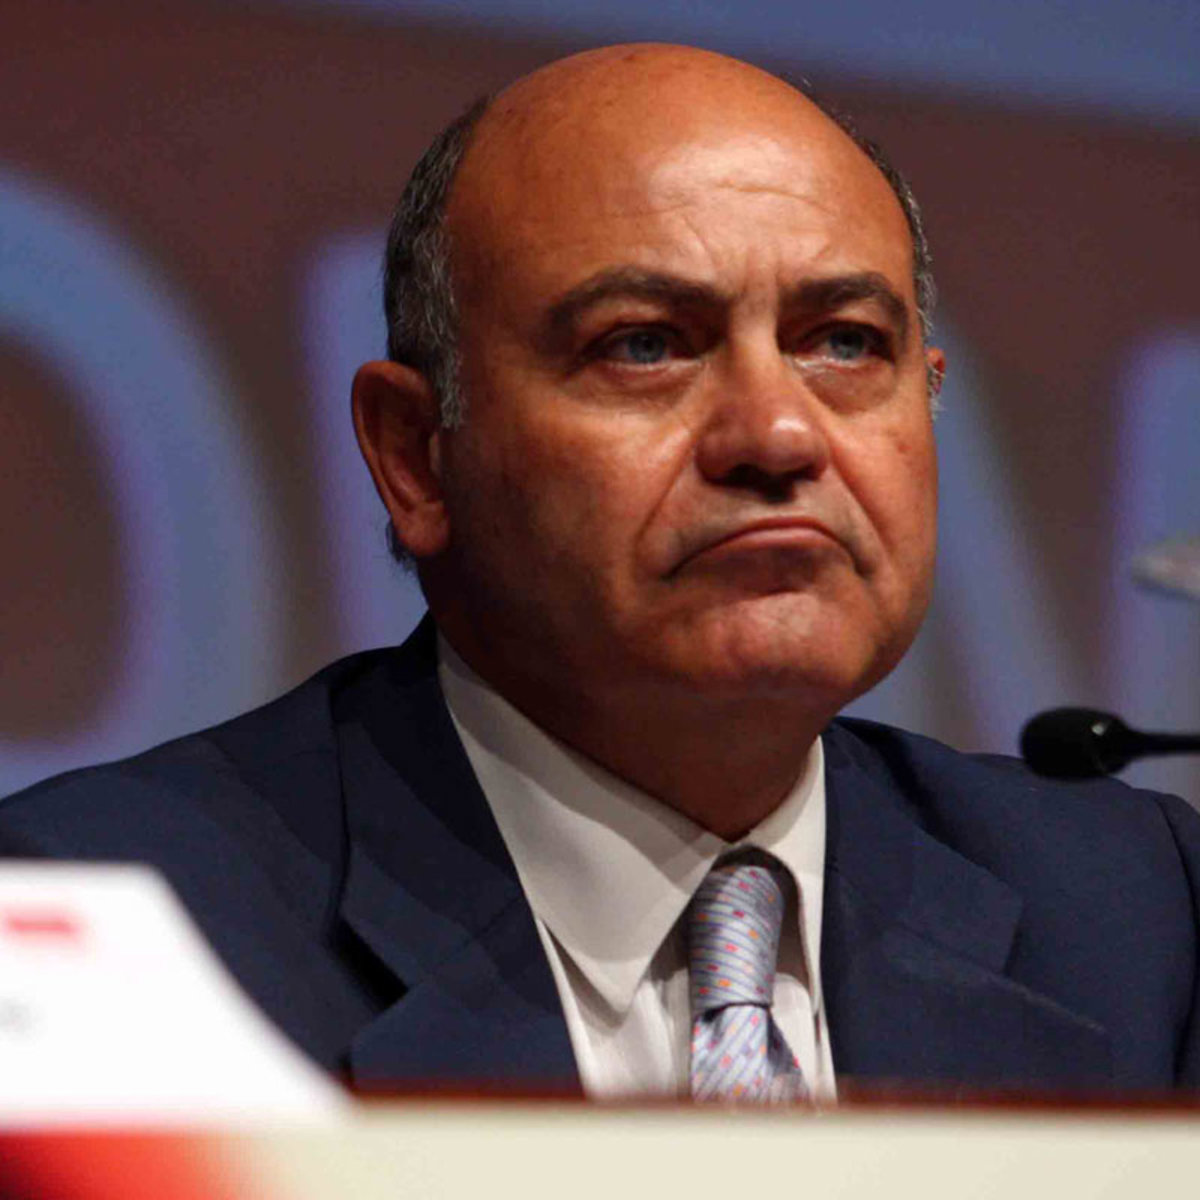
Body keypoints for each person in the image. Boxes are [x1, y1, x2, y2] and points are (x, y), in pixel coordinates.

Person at [2, 44, 1198, 1100]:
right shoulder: (103, 938)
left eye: (845, 342)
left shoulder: (1138, 914)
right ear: (414, 456)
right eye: (644, 345)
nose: (779, 434)